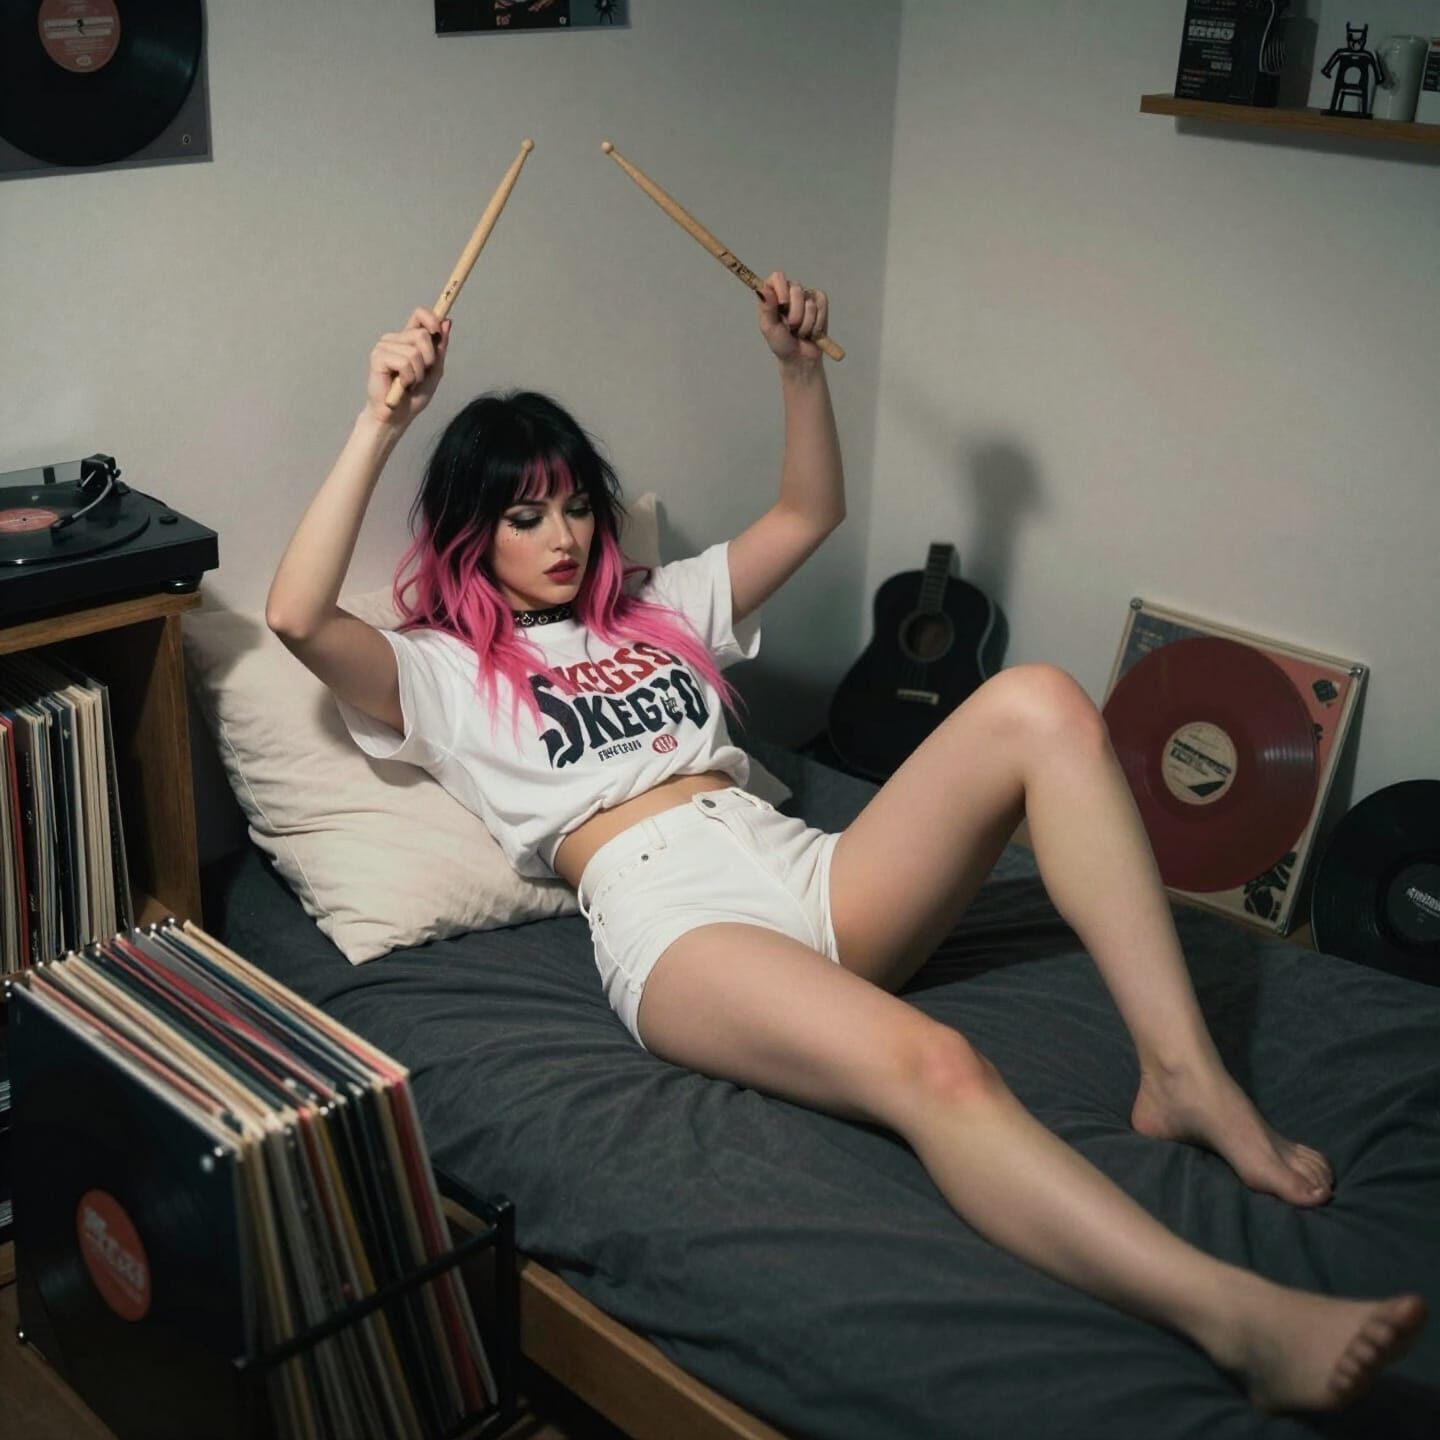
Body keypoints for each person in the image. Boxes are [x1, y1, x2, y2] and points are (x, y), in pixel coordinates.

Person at [266, 274, 1427, 1415]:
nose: (563, 535)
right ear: (476, 535)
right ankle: (1237, 1318)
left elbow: (808, 514)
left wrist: (795, 368)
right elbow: (297, 617)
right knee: (939, 1067)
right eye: (525, 517)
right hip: (675, 921)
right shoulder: (443, 670)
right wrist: (383, 417)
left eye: (576, 505)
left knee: (1041, 701)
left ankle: (1184, 1076)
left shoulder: (659, 606)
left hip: (805, 864)